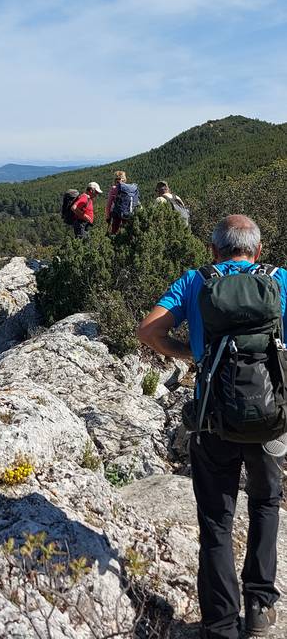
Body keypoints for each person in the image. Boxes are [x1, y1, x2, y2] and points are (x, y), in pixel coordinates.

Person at [138, 215, 287, 639]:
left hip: (212, 419)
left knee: (217, 520)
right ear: (257, 251)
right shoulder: (280, 281)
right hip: (271, 419)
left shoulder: (195, 281)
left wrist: (192, 355)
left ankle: (221, 624)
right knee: (264, 503)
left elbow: (148, 330)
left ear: (214, 251)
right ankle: (260, 607)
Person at [106, 170, 127, 234]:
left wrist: (108, 217)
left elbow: (109, 204)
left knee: (114, 233)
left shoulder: (114, 188)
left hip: (116, 214)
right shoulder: (128, 188)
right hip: (127, 213)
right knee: (126, 232)